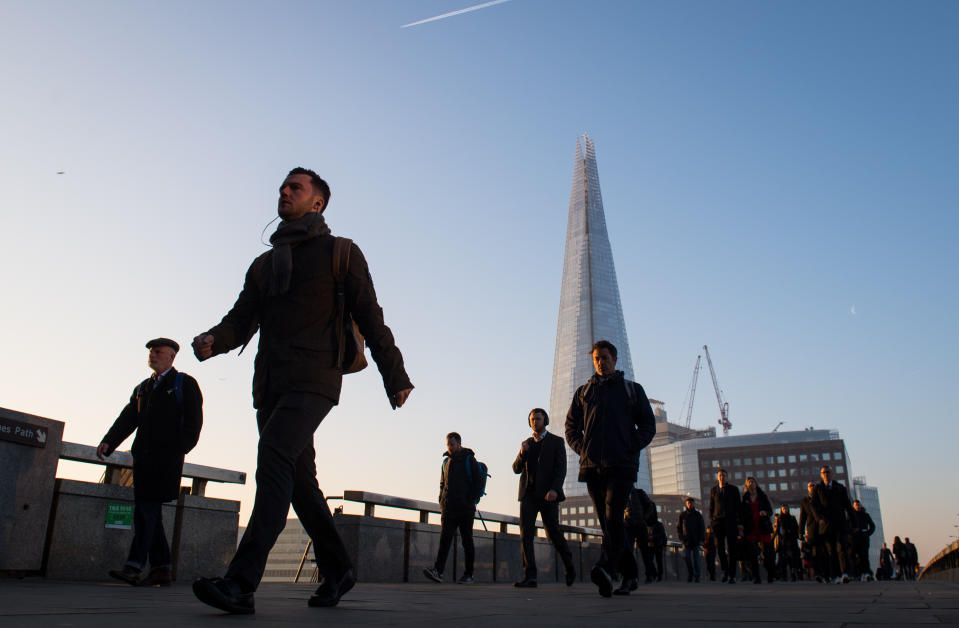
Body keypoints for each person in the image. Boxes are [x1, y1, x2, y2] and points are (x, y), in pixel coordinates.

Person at [190, 167, 413, 614]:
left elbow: (371, 315)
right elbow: (242, 317)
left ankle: (241, 583)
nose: (285, 192)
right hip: (271, 383)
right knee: (299, 483)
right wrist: (214, 340)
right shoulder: (264, 264)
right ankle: (339, 568)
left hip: (315, 379)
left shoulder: (341, 252)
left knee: (273, 455)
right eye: (282, 188)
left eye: (296, 187)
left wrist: (395, 374)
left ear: (318, 202)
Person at [98, 338, 203, 587]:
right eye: (151, 352)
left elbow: (193, 423)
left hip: (166, 460)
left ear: (171, 357)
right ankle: (161, 568)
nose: (152, 355)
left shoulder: (183, 384)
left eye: (158, 352)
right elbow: (128, 418)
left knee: (146, 511)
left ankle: (133, 567)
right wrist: (109, 442)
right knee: (150, 512)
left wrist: (179, 449)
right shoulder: (143, 388)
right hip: (144, 459)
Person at [565, 340, 656, 598]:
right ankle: (629, 576)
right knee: (608, 524)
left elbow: (648, 426)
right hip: (592, 467)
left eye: (604, 357)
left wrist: (631, 446)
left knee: (615, 516)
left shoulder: (632, 390)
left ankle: (604, 567)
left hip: (622, 466)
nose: (600, 362)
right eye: (596, 358)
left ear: (615, 360)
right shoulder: (584, 392)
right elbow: (571, 427)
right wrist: (583, 449)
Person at [512, 408, 575, 588]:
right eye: (532, 419)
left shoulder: (556, 442)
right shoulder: (526, 444)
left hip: (548, 495)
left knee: (553, 533)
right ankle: (530, 576)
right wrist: (523, 453)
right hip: (528, 495)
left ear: (545, 420)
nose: (534, 422)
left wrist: (555, 489)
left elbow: (560, 469)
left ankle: (569, 565)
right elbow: (516, 469)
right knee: (526, 534)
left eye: (538, 419)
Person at [424, 433, 483, 584]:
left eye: (452, 444)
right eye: (448, 444)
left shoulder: (469, 460)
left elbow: (478, 483)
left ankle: (469, 574)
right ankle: (438, 571)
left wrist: (470, 500)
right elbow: (442, 484)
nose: (450, 447)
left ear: (459, 444)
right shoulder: (446, 462)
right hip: (449, 508)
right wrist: (441, 500)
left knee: (467, 541)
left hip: (465, 509)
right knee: (445, 540)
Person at [815, 465, 856, 584]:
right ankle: (835, 575)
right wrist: (819, 518)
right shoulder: (818, 489)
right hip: (827, 525)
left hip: (840, 523)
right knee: (831, 550)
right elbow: (814, 506)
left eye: (828, 472)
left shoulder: (840, 488)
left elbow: (848, 505)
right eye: (823, 472)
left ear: (831, 474)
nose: (826, 474)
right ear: (821, 475)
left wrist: (853, 522)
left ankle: (844, 573)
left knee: (841, 548)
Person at [708, 468, 742, 584]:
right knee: (721, 550)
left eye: (724, 475)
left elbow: (738, 506)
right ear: (717, 477)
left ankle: (732, 575)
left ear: (727, 477)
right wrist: (712, 521)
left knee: (732, 550)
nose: (722, 477)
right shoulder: (714, 490)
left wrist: (739, 523)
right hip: (718, 523)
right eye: (720, 475)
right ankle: (725, 571)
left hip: (731, 522)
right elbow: (711, 507)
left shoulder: (734, 489)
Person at [741, 477, 775, 584]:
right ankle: (756, 577)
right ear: (746, 485)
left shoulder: (763, 496)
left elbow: (770, 511)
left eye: (752, 482)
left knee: (767, 554)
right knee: (752, 555)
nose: (751, 484)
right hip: (750, 529)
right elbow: (741, 514)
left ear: (756, 484)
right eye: (749, 482)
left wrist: (765, 512)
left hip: (763, 528)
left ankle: (770, 574)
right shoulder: (745, 498)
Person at [622, 487, 657, 589]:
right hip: (628, 525)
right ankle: (631, 576)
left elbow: (650, 506)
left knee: (645, 551)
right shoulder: (622, 492)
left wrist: (644, 518)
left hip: (640, 525)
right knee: (628, 550)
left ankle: (650, 575)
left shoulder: (639, 492)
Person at [798, 480, 824, 582]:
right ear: (807, 488)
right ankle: (818, 573)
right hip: (811, 529)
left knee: (824, 550)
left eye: (813, 485)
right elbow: (802, 517)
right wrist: (800, 531)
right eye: (810, 486)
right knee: (815, 552)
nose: (812, 487)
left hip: (823, 527)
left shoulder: (821, 499)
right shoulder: (805, 501)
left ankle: (825, 571)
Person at [677, 497, 706, 583]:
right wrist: (681, 538)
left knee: (696, 559)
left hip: (696, 541)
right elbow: (679, 528)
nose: (690, 504)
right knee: (687, 558)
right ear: (686, 504)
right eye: (688, 503)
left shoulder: (698, 515)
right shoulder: (682, 515)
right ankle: (691, 573)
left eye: (691, 503)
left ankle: (697, 576)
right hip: (686, 541)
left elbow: (702, 527)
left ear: (694, 504)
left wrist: (702, 539)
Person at [773, 505, 800, 581]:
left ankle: (793, 575)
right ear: (781, 510)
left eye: (786, 508)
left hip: (791, 542)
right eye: (783, 509)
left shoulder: (792, 518)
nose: (785, 510)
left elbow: (796, 529)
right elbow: (777, 530)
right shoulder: (780, 519)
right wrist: (772, 539)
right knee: (783, 560)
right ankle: (784, 576)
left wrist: (795, 534)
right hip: (782, 542)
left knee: (792, 560)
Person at [851, 500, 876, 581]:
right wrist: (852, 532)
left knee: (864, 556)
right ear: (853, 506)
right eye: (856, 505)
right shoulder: (851, 515)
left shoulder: (865, 515)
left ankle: (866, 573)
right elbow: (847, 526)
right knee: (856, 557)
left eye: (858, 505)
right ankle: (858, 574)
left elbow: (872, 526)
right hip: (855, 539)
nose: (857, 506)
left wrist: (868, 533)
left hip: (864, 538)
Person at [648, 517, 667, 582]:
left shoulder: (659, 525)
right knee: (650, 560)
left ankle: (659, 575)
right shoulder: (647, 525)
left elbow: (663, 535)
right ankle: (655, 574)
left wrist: (664, 545)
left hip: (658, 545)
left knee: (659, 561)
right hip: (650, 545)